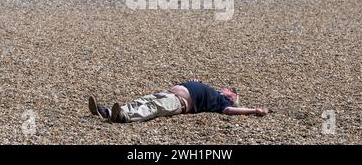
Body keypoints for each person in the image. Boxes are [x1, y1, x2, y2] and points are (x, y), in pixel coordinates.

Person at [89, 79, 272, 123]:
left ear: (231, 97)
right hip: (170, 93)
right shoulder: (213, 92)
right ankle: (107, 112)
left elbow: (232, 111)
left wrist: (255, 110)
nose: (226, 88)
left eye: (230, 91)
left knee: (153, 107)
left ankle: (123, 117)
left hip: (179, 103)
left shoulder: (222, 103)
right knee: (142, 100)